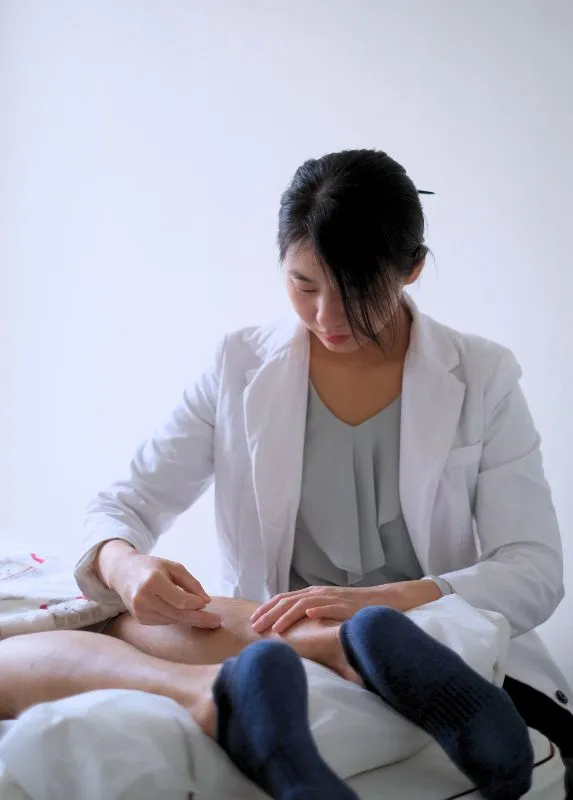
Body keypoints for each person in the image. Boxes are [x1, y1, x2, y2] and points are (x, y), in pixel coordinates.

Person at [1, 150, 570, 796]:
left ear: (411, 268)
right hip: (268, 632)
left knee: (100, 629)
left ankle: (356, 644)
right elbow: (125, 501)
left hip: (428, 631)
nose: (327, 317)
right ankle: (338, 647)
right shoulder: (239, 364)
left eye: (355, 291)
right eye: (304, 286)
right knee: (130, 614)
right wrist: (123, 564)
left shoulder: (482, 375)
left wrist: (395, 597)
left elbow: (532, 570)